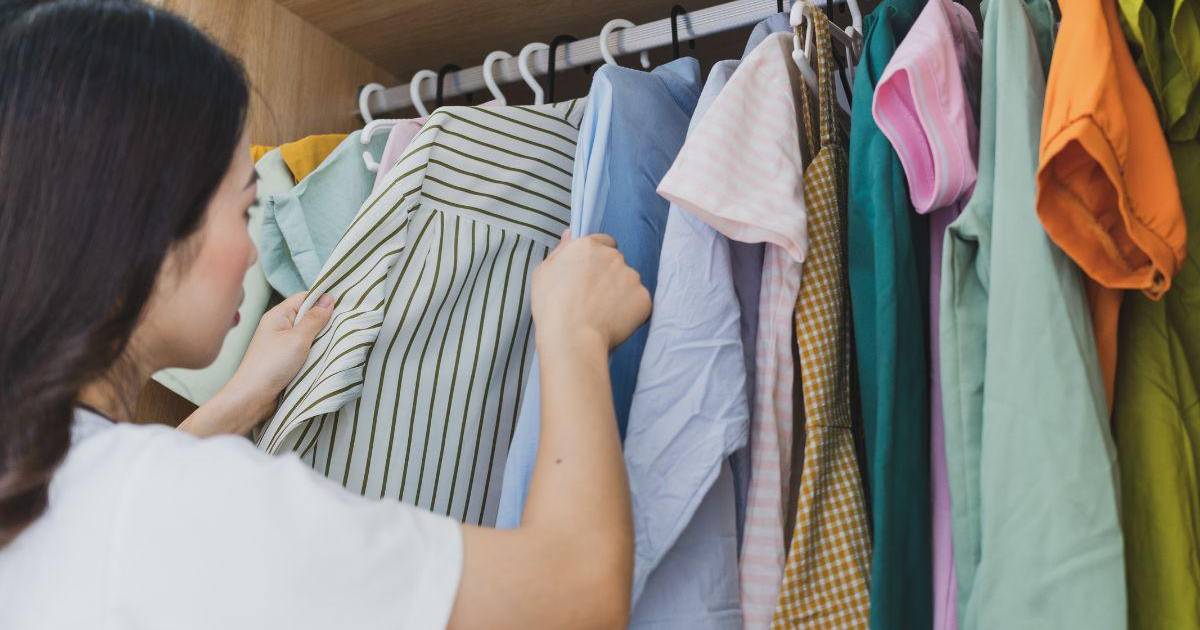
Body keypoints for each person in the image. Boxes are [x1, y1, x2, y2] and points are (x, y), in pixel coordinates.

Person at [0, 1, 651, 628]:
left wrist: (239, 400)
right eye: (244, 208)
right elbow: (575, 595)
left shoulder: (41, 475)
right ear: (142, 228)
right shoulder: (194, 505)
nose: (253, 251)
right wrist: (574, 335)